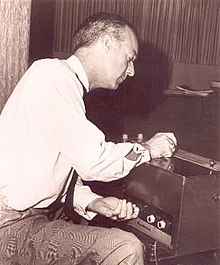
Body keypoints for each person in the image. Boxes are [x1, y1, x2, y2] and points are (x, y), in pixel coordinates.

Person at [0, 12, 177, 265]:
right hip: (10, 227)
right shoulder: (52, 75)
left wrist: (94, 202)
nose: (132, 71)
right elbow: (95, 162)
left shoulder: (60, 82)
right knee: (124, 248)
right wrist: (147, 148)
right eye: (129, 58)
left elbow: (43, 176)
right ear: (107, 43)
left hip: (32, 220)